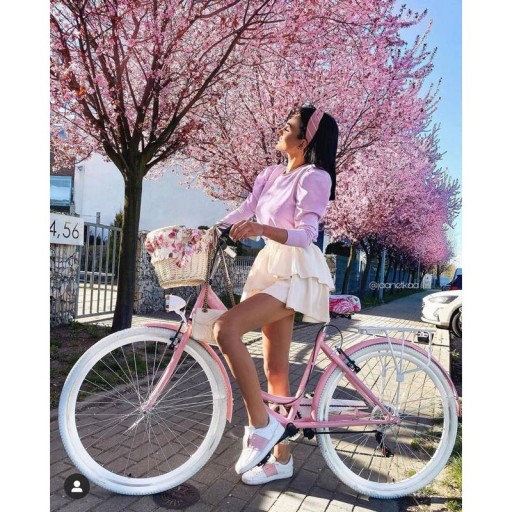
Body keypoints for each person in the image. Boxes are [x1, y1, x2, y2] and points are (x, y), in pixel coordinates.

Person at [214, 105, 338, 485]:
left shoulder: (314, 177)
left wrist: (262, 229)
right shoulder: (270, 174)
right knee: (276, 371)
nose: (281, 130)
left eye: (289, 127)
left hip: (297, 271)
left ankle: (261, 425)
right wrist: (213, 229)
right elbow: (247, 209)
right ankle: (282, 459)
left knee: (225, 329)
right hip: (272, 268)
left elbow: (308, 234)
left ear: (305, 140)